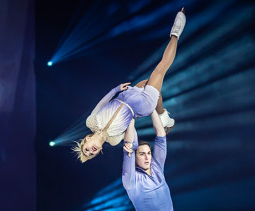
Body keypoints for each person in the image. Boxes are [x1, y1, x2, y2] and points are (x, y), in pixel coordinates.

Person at [72, 9, 186, 163]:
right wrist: (131, 145)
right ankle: (176, 31)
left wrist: (115, 90)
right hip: (140, 106)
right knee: (160, 68)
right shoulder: (114, 140)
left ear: (86, 140)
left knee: (147, 82)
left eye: (86, 149)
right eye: (91, 154)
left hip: (125, 96)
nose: (90, 151)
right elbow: (130, 133)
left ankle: (164, 117)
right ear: (98, 152)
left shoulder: (90, 122)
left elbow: (102, 103)